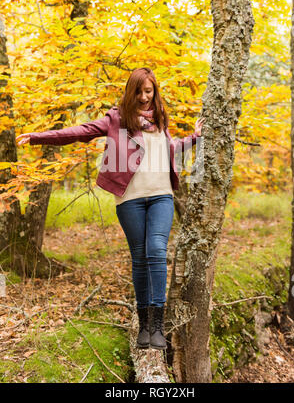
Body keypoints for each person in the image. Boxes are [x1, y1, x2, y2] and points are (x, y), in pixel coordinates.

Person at [16, 67, 205, 350]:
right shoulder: (116, 118)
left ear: (155, 91)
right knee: (140, 258)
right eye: (139, 92)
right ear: (131, 92)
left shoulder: (161, 118)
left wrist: (193, 138)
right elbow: (80, 132)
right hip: (129, 199)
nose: (144, 97)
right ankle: (144, 327)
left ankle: (157, 326)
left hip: (161, 196)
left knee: (156, 250)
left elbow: (166, 147)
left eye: (149, 91)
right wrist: (40, 136)